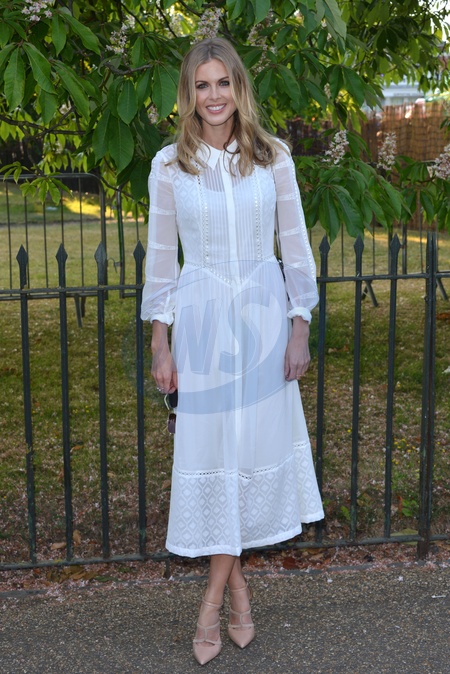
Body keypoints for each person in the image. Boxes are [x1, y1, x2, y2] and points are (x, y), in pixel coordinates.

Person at [141, 37, 324, 666]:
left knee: (250, 453)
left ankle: (212, 602)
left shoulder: (275, 158)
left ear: (239, 87)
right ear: (188, 94)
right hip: (201, 325)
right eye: (202, 85)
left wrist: (300, 326)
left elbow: (295, 247)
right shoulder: (169, 166)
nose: (214, 95)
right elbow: (160, 260)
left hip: (265, 321)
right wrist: (160, 341)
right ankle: (235, 591)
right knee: (216, 455)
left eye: (223, 82)